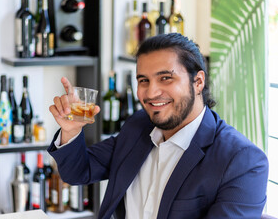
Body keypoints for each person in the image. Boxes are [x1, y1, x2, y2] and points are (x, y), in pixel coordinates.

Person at [48, 33, 268, 219]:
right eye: (143, 80)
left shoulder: (242, 161)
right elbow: (78, 172)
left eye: (165, 78)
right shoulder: (138, 126)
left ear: (198, 82)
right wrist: (71, 131)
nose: (151, 93)